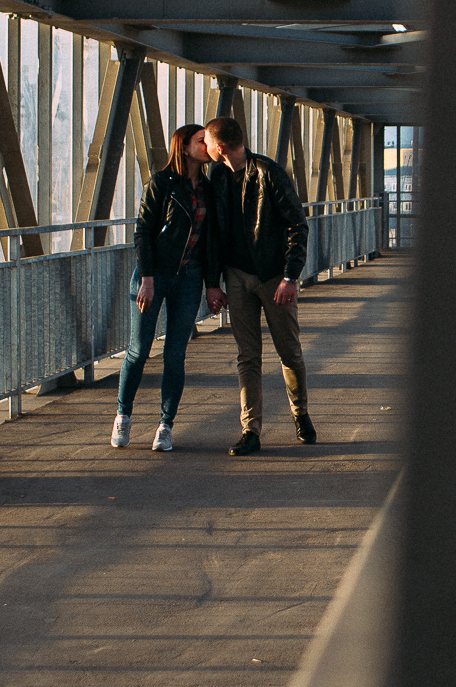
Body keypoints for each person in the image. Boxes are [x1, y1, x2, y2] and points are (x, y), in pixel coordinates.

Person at [197, 115, 313, 456]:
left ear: (220, 148)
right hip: (236, 276)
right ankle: (251, 430)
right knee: (247, 356)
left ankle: (300, 414)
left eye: (207, 143)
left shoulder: (268, 172)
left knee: (289, 352)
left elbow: (297, 224)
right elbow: (212, 235)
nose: (205, 149)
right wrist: (212, 283)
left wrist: (291, 277)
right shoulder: (217, 176)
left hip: (274, 277)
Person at [112, 124, 220, 451]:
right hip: (154, 276)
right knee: (139, 351)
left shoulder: (209, 188)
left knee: (175, 355)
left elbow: (211, 243)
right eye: (201, 141)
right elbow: (143, 231)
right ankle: (123, 416)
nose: (208, 146)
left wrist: (212, 285)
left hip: (189, 278)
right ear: (184, 147)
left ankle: (165, 426)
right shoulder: (161, 183)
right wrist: (146, 279)